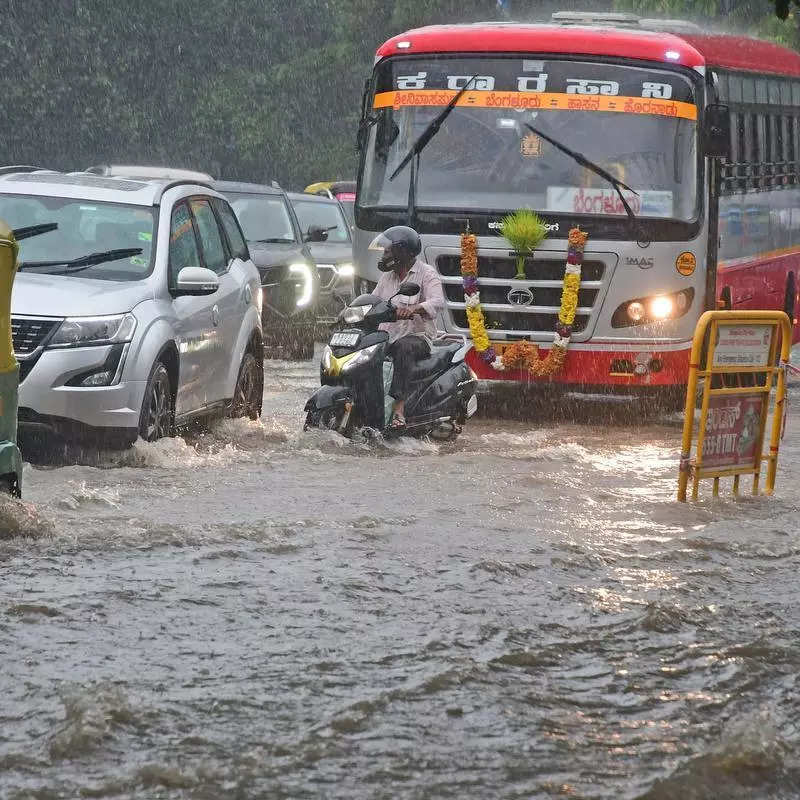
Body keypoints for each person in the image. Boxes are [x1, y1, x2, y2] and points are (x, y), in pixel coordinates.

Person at [370, 225, 445, 429]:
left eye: (388, 251)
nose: (384, 255)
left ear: (402, 252)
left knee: (404, 348)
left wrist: (415, 308)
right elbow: (374, 301)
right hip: (387, 336)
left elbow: (438, 302)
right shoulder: (387, 277)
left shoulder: (426, 273)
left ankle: (398, 410)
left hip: (418, 337)